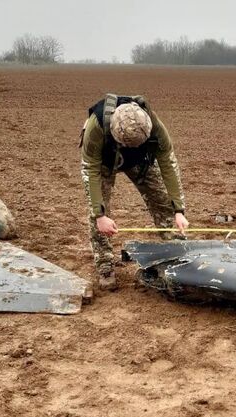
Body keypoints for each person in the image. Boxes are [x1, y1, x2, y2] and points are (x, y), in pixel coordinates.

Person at [80, 94, 189, 291]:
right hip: (103, 163)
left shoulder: (153, 124)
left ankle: (176, 248)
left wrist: (178, 210)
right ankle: (105, 264)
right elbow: (90, 168)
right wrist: (100, 215)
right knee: (98, 215)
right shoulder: (96, 127)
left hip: (140, 161)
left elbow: (168, 162)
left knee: (163, 201)